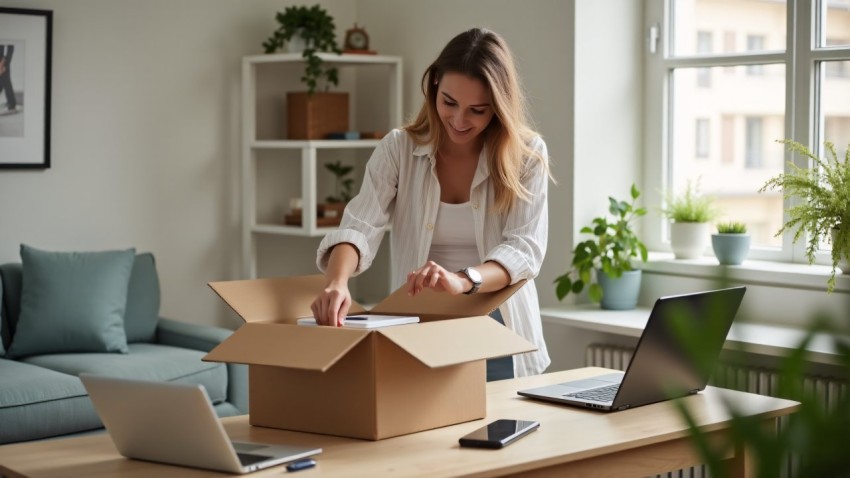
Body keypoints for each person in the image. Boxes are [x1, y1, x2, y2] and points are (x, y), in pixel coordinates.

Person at [311, 27, 552, 380]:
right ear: (435, 84)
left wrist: (462, 281)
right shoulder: (398, 149)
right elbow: (360, 225)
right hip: (417, 328)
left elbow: (523, 251)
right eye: (449, 102)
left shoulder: (527, 157)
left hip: (500, 330)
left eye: (477, 111)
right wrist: (337, 281)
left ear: (498, 108)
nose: (458, 120)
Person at [0, 44, 18, 114]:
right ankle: (11, 103)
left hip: (3, 60)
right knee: (3, 80)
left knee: (5, 79)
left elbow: (9, 49)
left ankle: (12, 105)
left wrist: (4, 63)